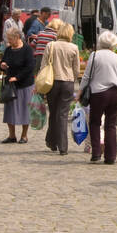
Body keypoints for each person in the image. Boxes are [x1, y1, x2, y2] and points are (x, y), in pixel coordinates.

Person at [83, 30, 117, 165]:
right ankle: (110, 156)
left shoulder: (94, 56)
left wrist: (80, 92)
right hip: (115, 93)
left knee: (95, 122)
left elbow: (86, 77)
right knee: (111, 125)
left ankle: (96, 153)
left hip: (98, 93)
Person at [44, 22, 80, 155]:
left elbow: (44, 65)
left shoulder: (50, 45)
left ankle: (52, 142)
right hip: (67, 82)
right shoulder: (74, 48)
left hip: (52, 81)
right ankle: (63, 146)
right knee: (63, 114)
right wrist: (73, 79)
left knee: (53, 112)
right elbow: (76, 70)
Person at [0, 24, 35, 143]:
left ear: (18, 37)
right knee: (10, 110)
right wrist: (2, 65)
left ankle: (24, 135)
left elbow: (30, 67)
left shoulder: (27, 49)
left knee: (25, 109)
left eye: (10, 39)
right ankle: (12, 135)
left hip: (25, 84)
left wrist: (17, 77)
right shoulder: (9, 50)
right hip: (11, 85)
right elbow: (3, 62)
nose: (9, 42)